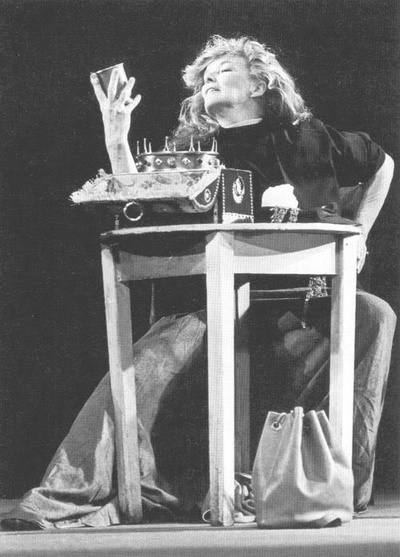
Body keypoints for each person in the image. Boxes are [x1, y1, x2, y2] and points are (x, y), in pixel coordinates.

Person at [1, 35, 396, 531]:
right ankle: (65, 494)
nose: (209, 78)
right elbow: (141, 203)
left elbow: (381, 163)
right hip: (208, 306)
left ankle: (331, 480)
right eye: (204, 75)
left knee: (374, 314)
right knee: (142, 368)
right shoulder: (189, 153)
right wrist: (117, 140)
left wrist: (360, 234)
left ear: (259, 84)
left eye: (223, 71)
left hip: (298, 308)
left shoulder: (311, 138)